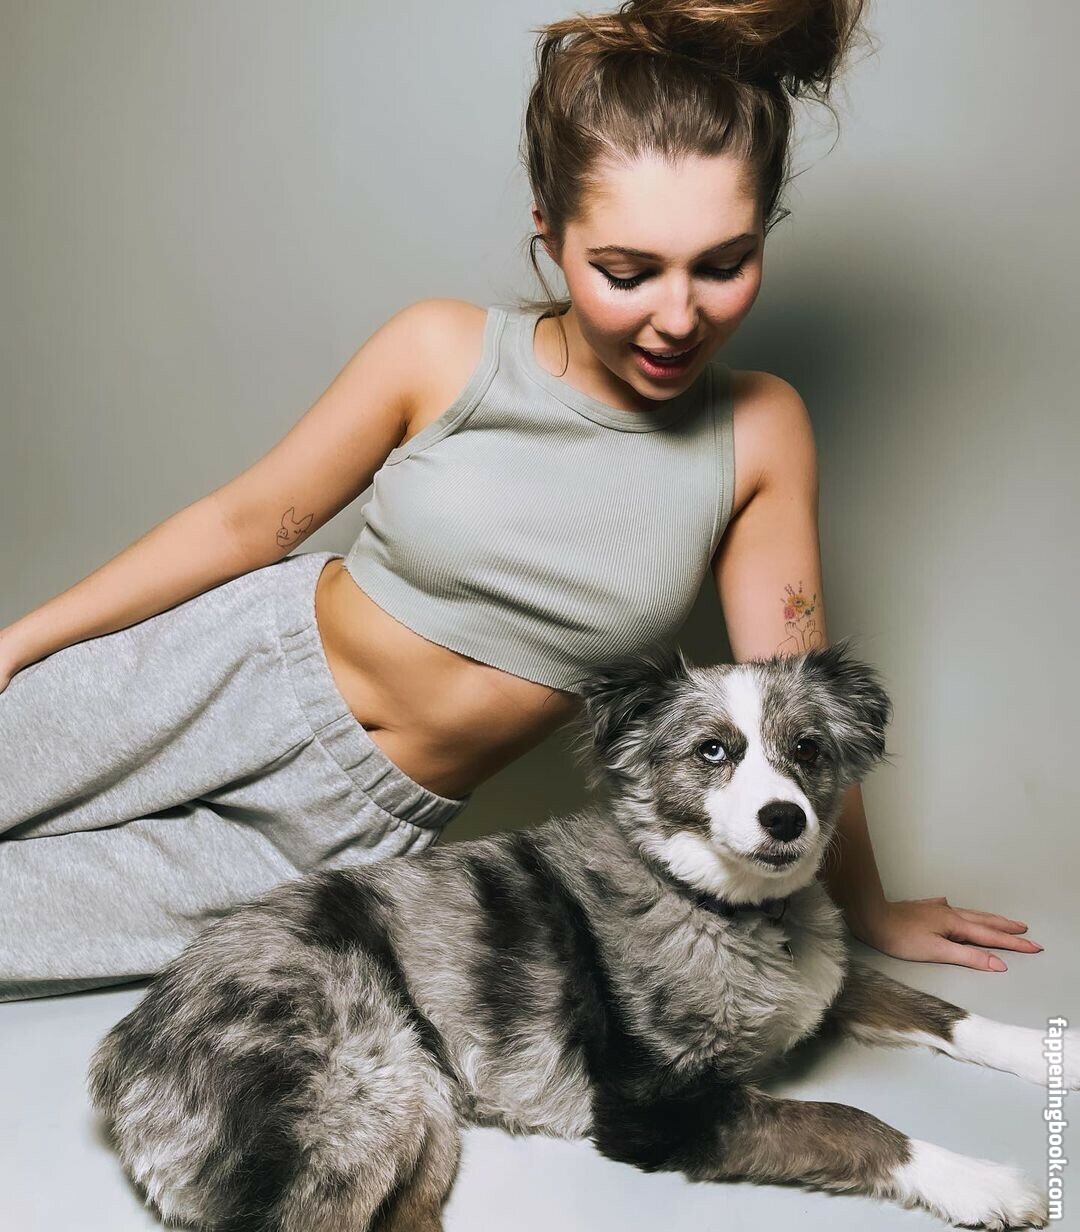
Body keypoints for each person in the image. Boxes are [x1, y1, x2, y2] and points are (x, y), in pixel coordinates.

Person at [0, 0, 1040, 1002]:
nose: (678, 316)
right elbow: (245, 522)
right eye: (626, 272)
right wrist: (18, 643)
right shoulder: (440, 351)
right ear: (549, 233)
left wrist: (868, 908)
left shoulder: (760, 431)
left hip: (352, 818)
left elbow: (791, 702)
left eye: (723, 265)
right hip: (224, 669)